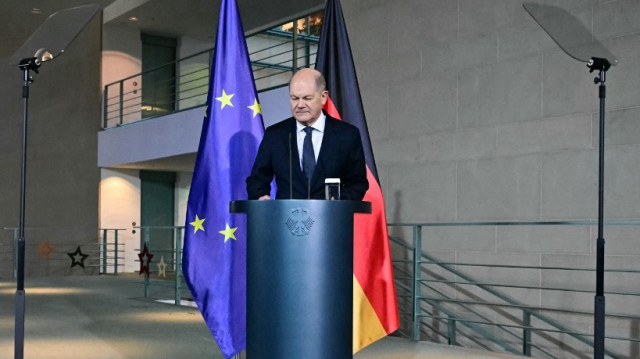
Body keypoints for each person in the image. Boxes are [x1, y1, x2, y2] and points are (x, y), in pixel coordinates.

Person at [246, 68, 368, 200]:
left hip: (331, 218)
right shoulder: (275, 135)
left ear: (323, 97)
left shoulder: (347, 135)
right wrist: (261, 197)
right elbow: (256, 180)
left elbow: (357, 182)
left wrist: (338, 205)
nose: (300, 105)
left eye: (307, 98)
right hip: (286, 218)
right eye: (294, 98)